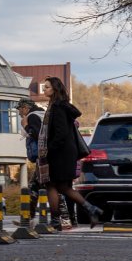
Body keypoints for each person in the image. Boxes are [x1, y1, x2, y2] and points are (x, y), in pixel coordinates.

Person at [37, 76, 104, 228]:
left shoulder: (58, 107)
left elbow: (60, 133)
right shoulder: (58, 105)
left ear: (55, 89)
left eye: (47, 87)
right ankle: (88, 210)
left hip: (60, 153)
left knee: (55, 185)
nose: (44, 89)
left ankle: (56, 221)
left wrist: (49, 150)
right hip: (63, 152)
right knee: (57, 186)